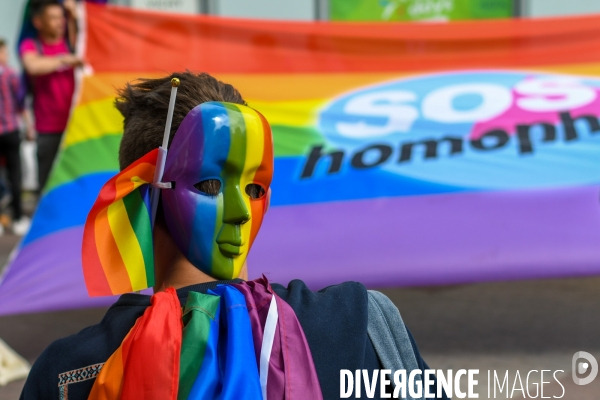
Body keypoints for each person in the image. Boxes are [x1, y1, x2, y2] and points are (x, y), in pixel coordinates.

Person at [20, 72, 448, 400]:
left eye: (256, 189)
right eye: (209, 186)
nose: (242, 212)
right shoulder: (358, 322)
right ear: (147, 190)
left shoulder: (66, 374)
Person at [20, 0, 82, 191]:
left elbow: (85, 30)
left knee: (77, 180)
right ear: (38, 22)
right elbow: (32, 66)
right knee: (47, 184)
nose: (60, 22)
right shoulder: (32, 45)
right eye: (53, 18)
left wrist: (75, 14)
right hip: (47, 129)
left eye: (61, 16)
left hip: (77, 126)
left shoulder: (74, 42)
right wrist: (64, 59)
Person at [0, 38, 33, 235]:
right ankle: (18, 217)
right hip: (11, 130)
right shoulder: (11, 75)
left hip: (8, 131)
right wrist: (29, 127)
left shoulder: (12, 75)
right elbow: (21, 104)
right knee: (15, 175)